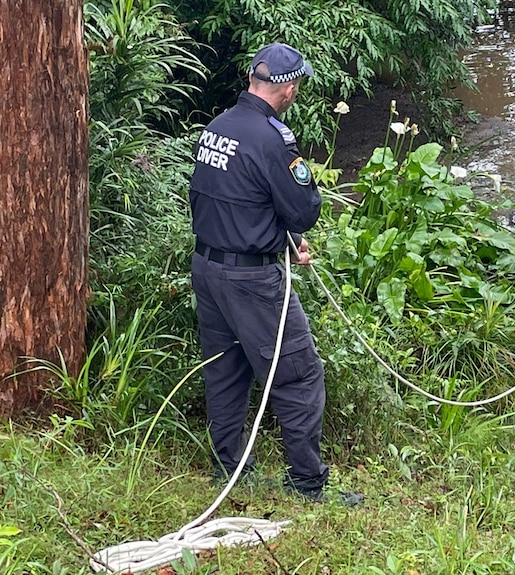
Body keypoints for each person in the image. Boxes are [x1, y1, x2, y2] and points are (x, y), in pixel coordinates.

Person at [188, 42, 349, 503]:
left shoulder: (217, 128)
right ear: (289, 89)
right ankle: (307, 482)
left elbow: (228, 200)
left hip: (208, 268)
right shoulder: (273, 139)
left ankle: (230, 466)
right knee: (298, 373)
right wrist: (292, 230)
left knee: (224, 370)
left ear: (253, 80)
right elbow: (303, 210)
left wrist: (281, 238)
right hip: (252, 282)